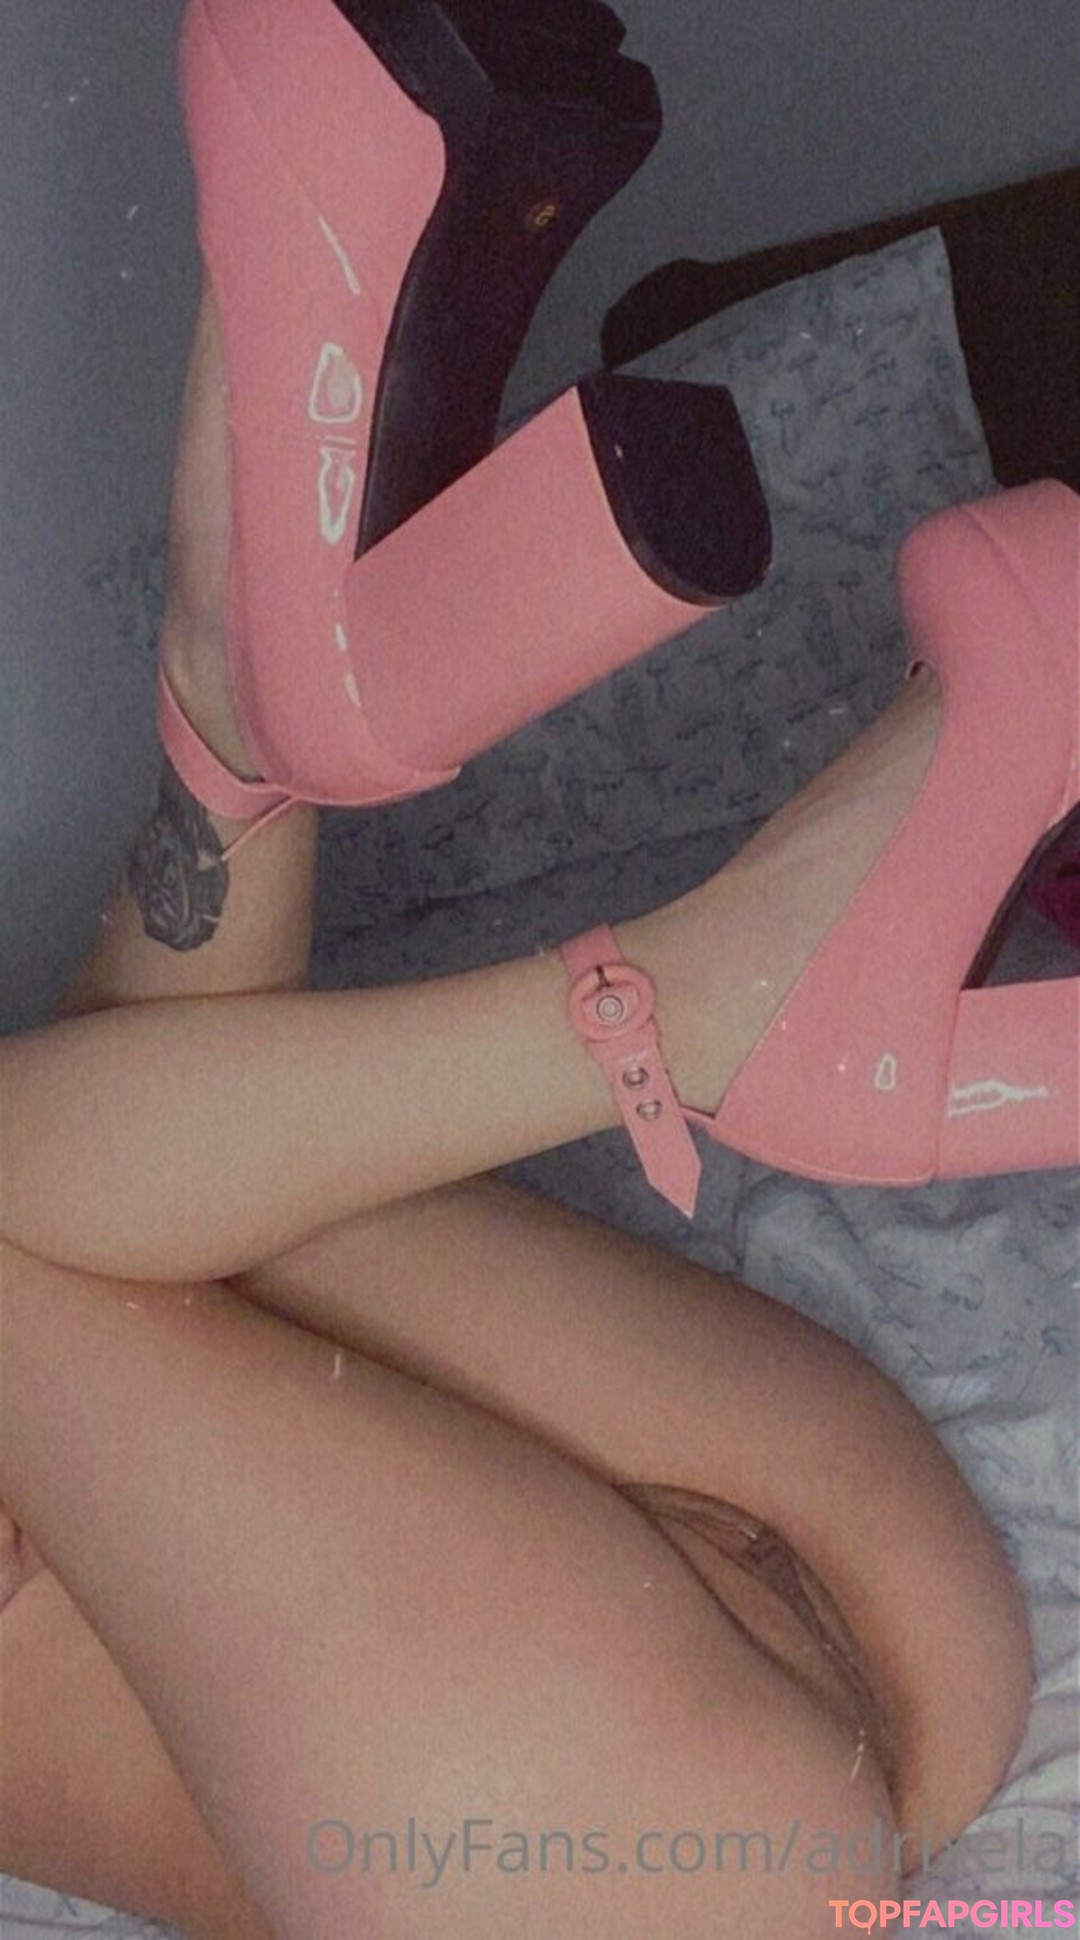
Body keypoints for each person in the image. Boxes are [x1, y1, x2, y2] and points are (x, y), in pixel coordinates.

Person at [0, 281, 1046, 1940]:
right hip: (690, 1757)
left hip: (660, 1799)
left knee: (121, 1175)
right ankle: (276, 713)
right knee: (89, 1178)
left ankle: (269, 713)